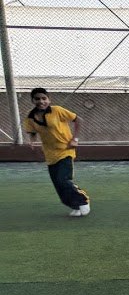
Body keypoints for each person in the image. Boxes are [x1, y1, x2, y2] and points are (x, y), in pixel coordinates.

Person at [23, 87, 91, 217]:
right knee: (58, 185)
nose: (41, 101)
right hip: (50, 154)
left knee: (63, 180)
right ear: (33, 100)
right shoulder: (30, 117)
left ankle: (83, 200)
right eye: (37, 99)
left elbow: (78, 120)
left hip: (65, 151)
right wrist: (32, 141)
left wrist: (75, 139)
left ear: (49, 99)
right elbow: (31, 131)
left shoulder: (57, 111)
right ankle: (75, 206)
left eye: (44, 98)